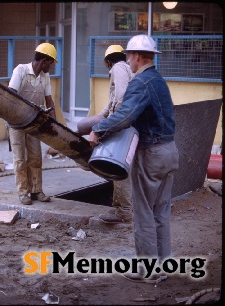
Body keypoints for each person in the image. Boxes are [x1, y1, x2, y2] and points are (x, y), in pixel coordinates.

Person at [88, 35, 179, 283]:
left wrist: (98, 130)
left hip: (152, 154)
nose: (127, 61)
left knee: (144, 213)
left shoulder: (141, 82)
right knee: (161, 212)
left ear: (138, 56)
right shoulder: (159, 81)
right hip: (170, 151)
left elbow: (125, 116)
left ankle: (148, 271)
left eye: (128, 56)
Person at [77, 45, 134, 224]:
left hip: (123, 123)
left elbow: (120, 99)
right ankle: (133, 207)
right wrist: (100, 119)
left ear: (108, 62)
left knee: (117, 167)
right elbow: (110, 104)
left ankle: (123, 211)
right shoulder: (130, 69)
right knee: (129, 167)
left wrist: (107, 125)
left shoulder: (117, 69)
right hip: (133, 124)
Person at [7, 43, 57, 205]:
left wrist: (55, 126)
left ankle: (36, 190)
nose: (51, 66)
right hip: (16, 122)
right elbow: (11, 95)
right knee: (20, 159)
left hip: (34, 123)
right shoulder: (20, 71)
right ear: (43, 61)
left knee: (35, 157)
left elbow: (49, 101)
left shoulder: (45, 77)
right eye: (51, 63)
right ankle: (23, 192)